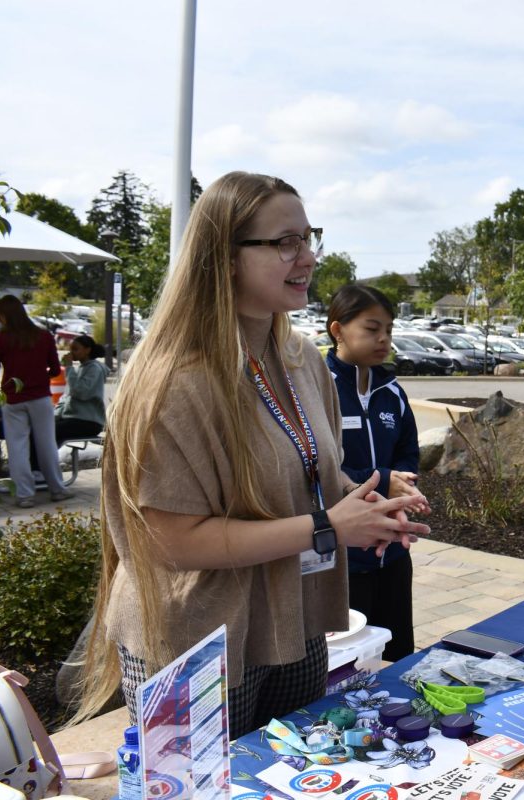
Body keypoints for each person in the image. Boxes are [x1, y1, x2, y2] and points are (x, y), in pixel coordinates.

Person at [73, 172, 431, 739]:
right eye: (285, 242)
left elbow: (315, 474)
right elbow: (168, 539)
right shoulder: (174, 381)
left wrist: (369, 503)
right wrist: (326, 528)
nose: (307, 257)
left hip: (297, 625)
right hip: (196, 647)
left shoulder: (301, 360)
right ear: (225, 257)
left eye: (309, 237)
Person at [324, 283, 428, 661]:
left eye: (389, 330)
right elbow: (320, 465)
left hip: (393, 555)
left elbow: (408, 450)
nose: (384, 339)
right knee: (347, 662)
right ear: (338, 330)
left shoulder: (392, 391)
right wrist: (382, 479)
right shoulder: (320, 388)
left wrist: (403, 486)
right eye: (372, 329)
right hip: (343, 560)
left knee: (397, 655)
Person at [0, 294, 72, 506]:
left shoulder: (1, 339)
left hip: (13, 398)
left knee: (17, 446)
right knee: (47, 444)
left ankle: (25, 495)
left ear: (4, 316)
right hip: (40, 397)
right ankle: (57, 489)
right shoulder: (43, 336)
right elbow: (56, 369)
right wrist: (38, 375)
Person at [29, 335, 109, 473]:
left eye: (75, 349)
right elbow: (66, 398)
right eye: (71, 349)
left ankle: (41, 470)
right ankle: (38, 469)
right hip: (74, 419)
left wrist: (69, 368)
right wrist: (54, 415)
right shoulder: (81, 369)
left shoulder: (94, 369)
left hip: (87, 421)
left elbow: (81, 392)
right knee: (39, 430)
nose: (71, 353)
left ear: (87, 350)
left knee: (47, 433)